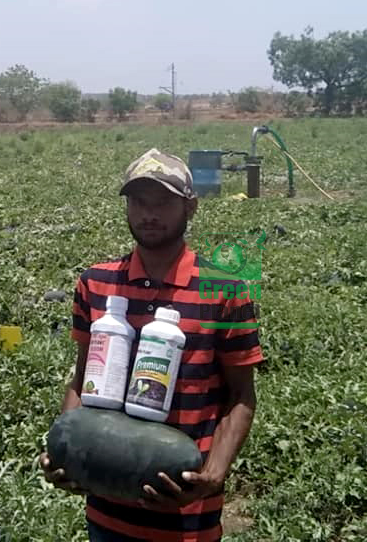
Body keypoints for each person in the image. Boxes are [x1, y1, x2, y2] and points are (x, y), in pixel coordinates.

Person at [40, 148, 263, 542]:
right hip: (106, 506)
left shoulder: (225, 289)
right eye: (139, 202)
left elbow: (241, 395)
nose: (149, 214)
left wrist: (214, 474)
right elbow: (81, 379)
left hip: (186, 512)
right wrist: (65, 450)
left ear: (190, 207)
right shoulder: (96, 283)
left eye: (162, 202)